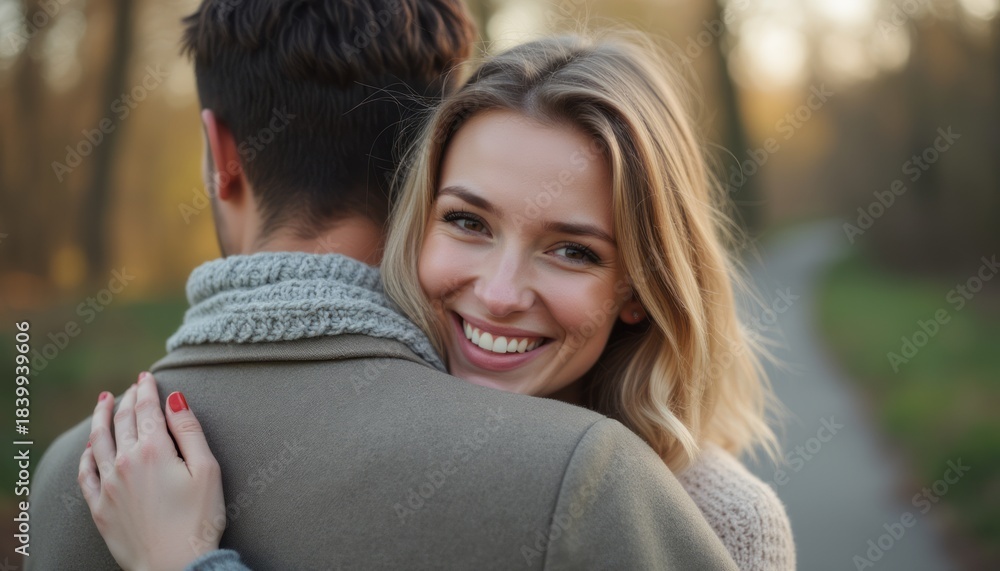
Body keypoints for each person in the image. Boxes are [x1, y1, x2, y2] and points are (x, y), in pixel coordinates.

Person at [28, 1, 740, 570]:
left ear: (218, 154)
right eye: (468, 221)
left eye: (573, 251)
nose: (497, 293)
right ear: (420, 171)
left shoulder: (78, 477)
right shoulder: (591, 483)